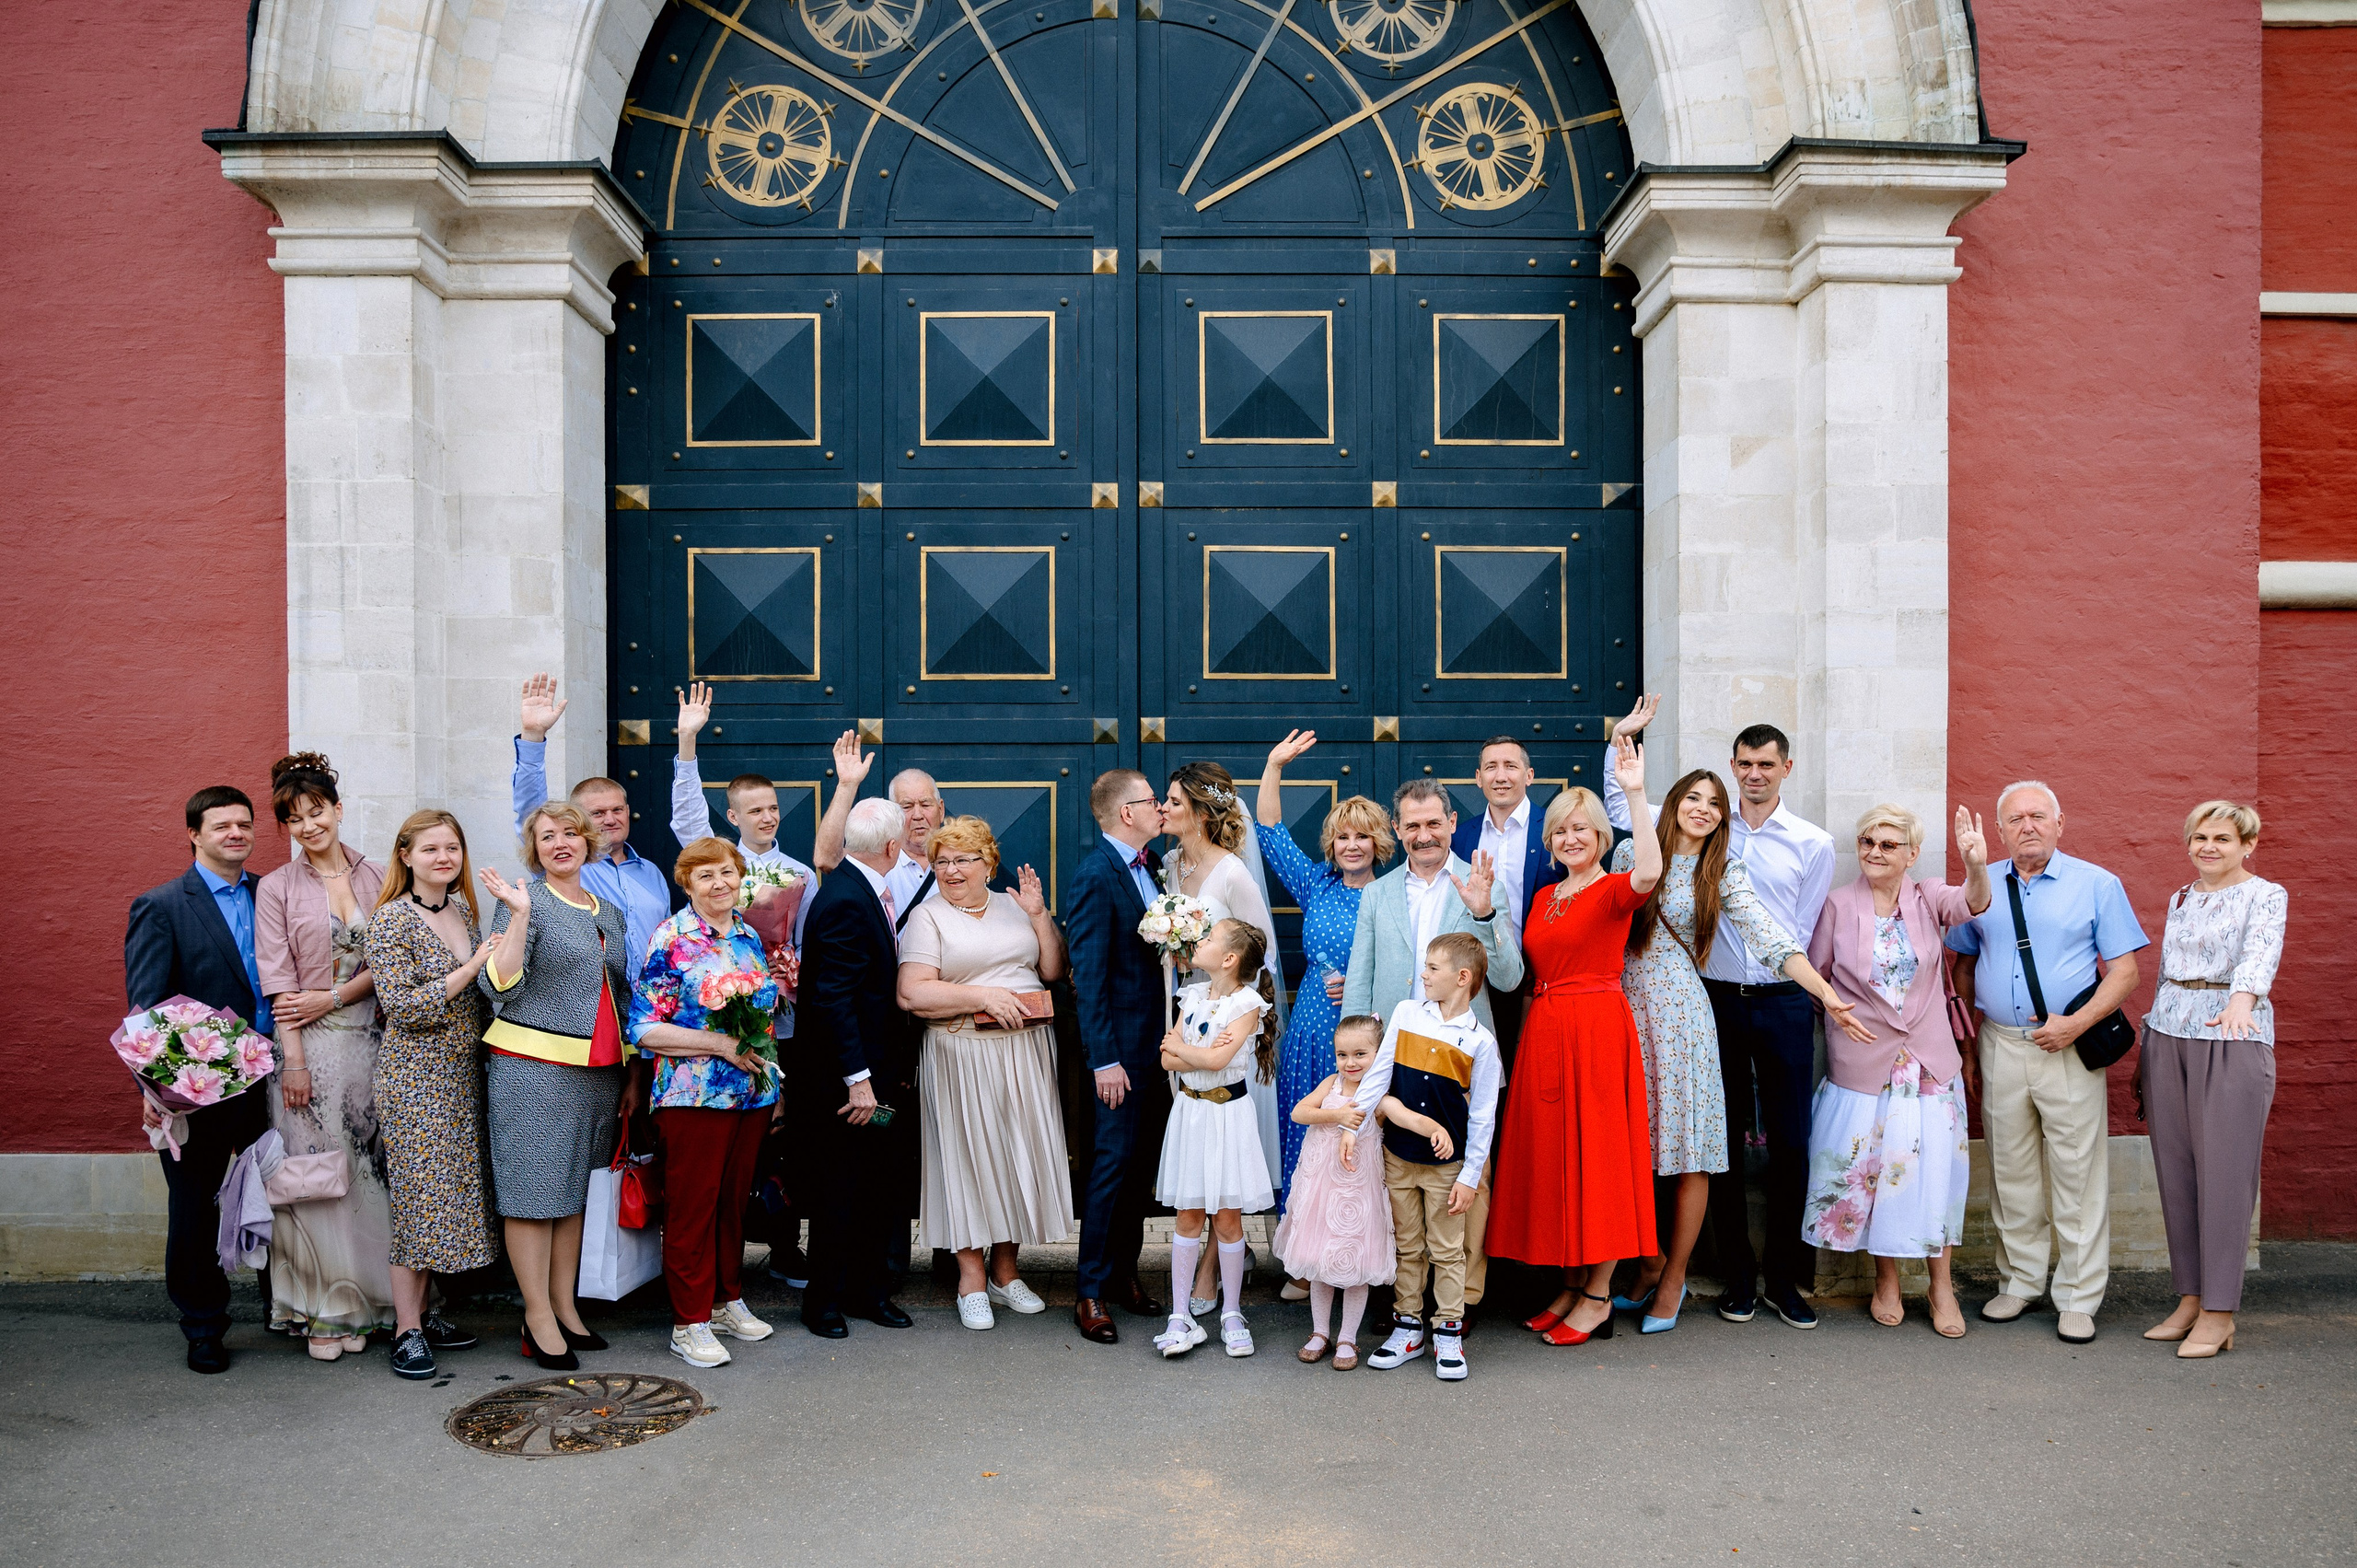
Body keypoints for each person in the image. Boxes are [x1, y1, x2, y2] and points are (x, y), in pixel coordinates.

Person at [1608, 769, 1867, 1335]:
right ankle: (1646, 1264)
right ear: (1672, 802)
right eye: (1692, 798)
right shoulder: (1630, 848)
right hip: (1624, 1010)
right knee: (1633, 1146)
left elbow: (1770, 935)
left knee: (1687, 1149)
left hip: (1681, 1020)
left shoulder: (1723, 870)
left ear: (1723, 817)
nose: (1702, 808)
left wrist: (1823, 991)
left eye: (1714, 803)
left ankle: (1673, 1278)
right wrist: (1625, 756)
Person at [1946, 780, 2148, 1344]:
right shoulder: (1981, 886)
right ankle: (2019, 1281)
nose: (2027, 826)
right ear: (2001, 830)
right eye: (2015, 819)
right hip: (2002, 1043)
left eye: (2038, 816)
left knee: (2077, 1172)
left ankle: (2079, 1296)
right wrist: (1969, 1044)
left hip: (2067, 1046)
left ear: (2060, 823)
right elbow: (1961, 967)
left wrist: (2075, 1025)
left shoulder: (2096, 885)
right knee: (2010, 1169)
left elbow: (2126, 972)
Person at [1487, 738, 1660, 1347]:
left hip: (1597, 1031)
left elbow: (1650, 873)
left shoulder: (1614, 888)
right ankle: (1569, 1281)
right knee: (1560, 1159)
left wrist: (1635, 792)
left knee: (1603, 1160)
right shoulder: (1540, 897)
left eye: (1582, 829)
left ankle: (1597, 1294)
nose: (1570, 839)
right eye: (1561, 830)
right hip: (1547, 1029)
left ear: (1600, 836)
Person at [1801, 804, 1993, 1339]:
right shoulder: (1839, 905)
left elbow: (1972, 902)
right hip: (1865, 1064)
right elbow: (1818, 979)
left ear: (1911, 853)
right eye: (1867, 842)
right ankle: (1885, 1280)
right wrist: (1847, 1029)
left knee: (1935, 1174)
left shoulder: (1928, 896)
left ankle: (1941, 1287)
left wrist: (1975, 864)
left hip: (1928, 1063)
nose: (1875, 852)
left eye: (1889, 844)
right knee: (1872, 1175)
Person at [671, 687, 842, 1286]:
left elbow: (814, 939)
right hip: (727, 1026)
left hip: (787, 1024)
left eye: (774, 807)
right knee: (732, 1140)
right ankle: (723, 1256)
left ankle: (785, 1245)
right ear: (734, 814)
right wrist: (687, 740)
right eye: (756, 809)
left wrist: (794, 971)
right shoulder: (718, 861)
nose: (768, 816)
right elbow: (685, 816)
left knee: (784, 1140)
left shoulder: (798, 873)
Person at [1341, 777, 1520, 1318]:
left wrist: (1485, 916)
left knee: (1468, 1183)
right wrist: (1355, 1063)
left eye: (1433, 824)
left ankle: (1460, 1303)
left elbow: (1509, 980)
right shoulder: (1377, 892)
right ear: (1398, 829)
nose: (1423, 835)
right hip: (1395, 1062)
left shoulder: (1482, 884)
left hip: (1460, 1062)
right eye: (1412, 825)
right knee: (1397, 1180)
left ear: (1451, 825)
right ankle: (1402, 1301)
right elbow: (1359, 977)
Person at [896, 816, 1075, 1330]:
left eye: (963, 860)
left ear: (988, 863)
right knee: (967, 1160)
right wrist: (984, 996)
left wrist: (1039, 916)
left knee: (1014, 1157)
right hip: (961, 1054)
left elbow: (1051, 971)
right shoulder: (927, 918)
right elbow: (912, 993)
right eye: (942, 861)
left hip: (1025, 1053)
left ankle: (1006, 1273)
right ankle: (970, 1279)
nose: (951, 870)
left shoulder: (1012, 906)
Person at [124, 786, 279, 1373]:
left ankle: (283, 1309)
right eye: (222, 826)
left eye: (244, 824)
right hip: (199, 1088)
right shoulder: (162, 906)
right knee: (195, 1206)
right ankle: (203, 1326)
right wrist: (153, 1091)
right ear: (194, 833)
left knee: (280, 1196)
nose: (236, 834)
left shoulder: (273, 892)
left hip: (274, 1077)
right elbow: (145, 1009)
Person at [477, 800, 633, 1372]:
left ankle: (566, 1307)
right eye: (547, 836)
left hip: (597, 1072)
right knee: (533, 1193)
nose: (560, 843)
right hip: (533, 1069)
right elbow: (499, 983)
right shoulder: (524, 901)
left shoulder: (607, 909)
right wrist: (517, 916)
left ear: (589, 841)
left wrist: (631, 1072)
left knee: (573, 1196)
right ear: (534, 849)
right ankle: (536, 1315)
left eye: (571, 833)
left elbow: (619, 991)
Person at [253, 753, 395, 1358]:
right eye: (294, 818)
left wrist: (334, 994)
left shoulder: (379, 875)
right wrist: (295, 1062)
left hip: (372, 1042)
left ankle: (373, 1302)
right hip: (308, 1049)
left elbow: (389, 966)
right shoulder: (277, 887)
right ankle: (323, 1308)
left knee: (369, 1176)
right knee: (315, 1179)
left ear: (338, 809)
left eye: (317, 811)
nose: (309, 825)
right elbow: (281, 982)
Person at [628, 835, 783, 1369]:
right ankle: (688, 1322)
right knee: (693, 1209)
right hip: (693, 1096)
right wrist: (720, 1045)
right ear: (687, 884)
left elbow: (761, 1021)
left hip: (748, 1096)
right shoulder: (672, 938)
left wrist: (771, 1083)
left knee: (733, 1204)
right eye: (705, 876)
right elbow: (644, 1028)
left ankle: (725, 1300)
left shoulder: (747, 936)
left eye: (727, 873)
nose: (719, 884)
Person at [2140, 801, 2286, 1360]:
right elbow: (2165, 973)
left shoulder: (2266, 895)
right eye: (2199, 837)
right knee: (2177, 1175)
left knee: (2225, 1178)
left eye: (2222, 838)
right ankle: (2191, 1297)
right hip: (2169, 1035)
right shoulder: (2182, 896)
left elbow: (2258, 955)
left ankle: (2220, 1312)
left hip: (2232, 1038)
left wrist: (2241, 1002)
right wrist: (2148, 1044)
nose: (2208, 847)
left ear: (2247, 844)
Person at [363, 809, 500, 1381]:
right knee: (420, 1202)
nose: (444, 858)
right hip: (415, 1077)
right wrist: (474, 965)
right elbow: (404, 1006)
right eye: (431, 849)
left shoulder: (464, 910)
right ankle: (406, 1331)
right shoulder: (391, 920)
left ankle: (427, 1311)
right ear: (405, 856)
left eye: (452, 848)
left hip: (463, 1071)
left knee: (450, 1198)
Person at [1160, 761, 1288, 1309]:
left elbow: (1268, 952)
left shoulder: (1232, 872)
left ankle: (1212, 1269)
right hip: (1182, 1011)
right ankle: (1220, 1247)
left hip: (1222, 1026)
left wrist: (1225, 999)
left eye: (1171, 801)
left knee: (1227, 1147)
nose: (1162, 809)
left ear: (1198, 810)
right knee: (1198, 1144)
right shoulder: (1169, 865)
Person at [1351, 933, 1504, 1381]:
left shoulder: (1482, 1043)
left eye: (1433, 969)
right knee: (1408, 1246)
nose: (1423, 975)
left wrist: (1470, 1176)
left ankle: (1448, 1333)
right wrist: (1350, 1127)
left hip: (1447, 1170)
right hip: (1399, 1155)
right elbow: (1379, 1076)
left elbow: (1482, 1119)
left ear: (1462, 978)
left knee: (1447, 1250)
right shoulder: (1405, 1013)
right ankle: (1407, 1328)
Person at [795, 796, 918, 1338]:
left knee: (875, 1187)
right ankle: (822, 1303)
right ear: (892, 847)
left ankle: (867, 1293)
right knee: (839, 1191)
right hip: (846, 1083)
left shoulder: (854, 886)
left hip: (879, 1074)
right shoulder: (847, 899)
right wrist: (859, 1081)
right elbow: (833, 998)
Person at [1253, 731, 1394, 1205]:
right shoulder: (1317, 883)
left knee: (1359, 1138)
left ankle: (1356, 1249)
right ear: (1331, 844)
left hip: (1363, 1035)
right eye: (1343, 837)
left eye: (1362, 837)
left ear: (1379, 843)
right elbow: (1270, 829)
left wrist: (1364, 986)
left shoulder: (1393, 894)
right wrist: (1275, 766)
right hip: (1313, 1032)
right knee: (1308, 1139)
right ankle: (1301, 1253)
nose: (1352, 846)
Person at [1068, 770, 1174, 1344]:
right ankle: (1089, 1292)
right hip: (1120, 1057)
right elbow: (1089, 976)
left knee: (1138, 1170)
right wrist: (1104, 1060)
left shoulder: (1151, 868)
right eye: (1152, 801)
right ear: (1126, 812)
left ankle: (1124, 1275)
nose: (1160, 808)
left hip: (1157, 1051)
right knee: (1110, 1169)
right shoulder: (1095, 876)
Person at [1152, 918, 1279, 1359]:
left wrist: (1189, 1051)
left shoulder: (1247, 1004)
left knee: (1227, 1217)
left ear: (1228, 959)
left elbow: (1220, 1057)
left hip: (1228, 1116)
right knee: (1187, 1215)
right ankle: (1181, 1314)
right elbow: (1167, 1061)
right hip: (1191, 1114)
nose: (1197, 942)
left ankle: (1230, 1312)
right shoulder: (1191, 995)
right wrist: (1195, 1055)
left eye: (1207, 939)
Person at [510, 672, 670, 969]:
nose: (610, 819)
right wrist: (533, 737)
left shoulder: (652, 874)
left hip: (650, 1007)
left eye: (617, 810)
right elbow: (530, 812)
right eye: (597, 813)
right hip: (592, 1006)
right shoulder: (569, 865)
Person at [1272, 1014, 1393, 1369]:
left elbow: (1397, 1116)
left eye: (1360, 1054)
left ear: (1378, 1054)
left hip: (1357, 1191)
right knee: (1321, 1261)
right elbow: (1299, 1112)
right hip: (1323, 1188)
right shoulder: (1331, 1084)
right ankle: (1320, 1331)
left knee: (1355, 1261)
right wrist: (1337, 1115)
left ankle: (1348, 1338)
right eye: (1342, 1054)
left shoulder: (1379, 1093)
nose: (1350, 1063)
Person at [815, 753, 946, 920]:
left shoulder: (961, 860)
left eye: (926, 804)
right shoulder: (878, 858)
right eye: (907, 806)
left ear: (941, 810)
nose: (918, 815)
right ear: (894, 813)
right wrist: (847, 786)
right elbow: (826, 859)